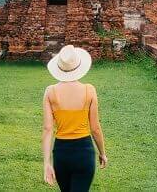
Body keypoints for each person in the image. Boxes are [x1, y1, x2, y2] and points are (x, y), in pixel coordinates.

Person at [42, 44, 108, 190]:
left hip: (61, 154)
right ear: (79, 67)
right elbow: (95, 128)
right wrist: (102, 153)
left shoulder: (50, 92)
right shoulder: (89, 90)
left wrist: (47, 163)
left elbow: (47, 129)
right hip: (84, 152)